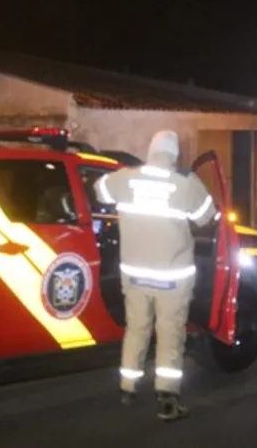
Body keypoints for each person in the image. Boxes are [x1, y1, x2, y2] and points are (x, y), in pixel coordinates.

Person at [93, 130, 217, 421]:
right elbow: (207, 217)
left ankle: (127, 387)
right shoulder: (185, 183)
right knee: (170, 335)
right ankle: (167, 399)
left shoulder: (125, 177)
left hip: (135, 276)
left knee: (136, 329)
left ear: (151, 150)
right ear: (175, 155)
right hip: (172, 278)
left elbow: (99, 190)